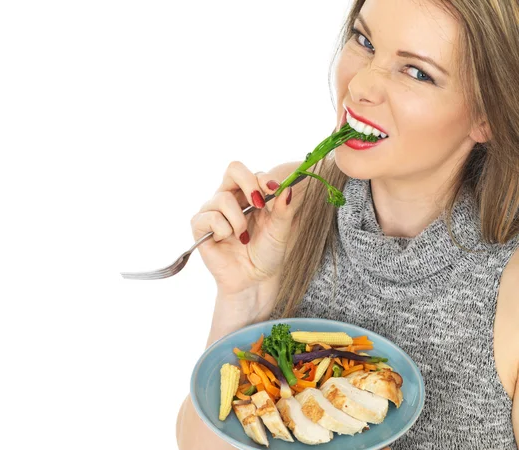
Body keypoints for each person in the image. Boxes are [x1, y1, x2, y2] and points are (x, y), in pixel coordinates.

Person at [176, 0, 519, 448]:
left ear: (486, 116)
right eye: (364, 41)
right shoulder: (288, 203)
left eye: (417, 72)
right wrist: (244, 296)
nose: (360, 85)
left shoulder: (509, 284)